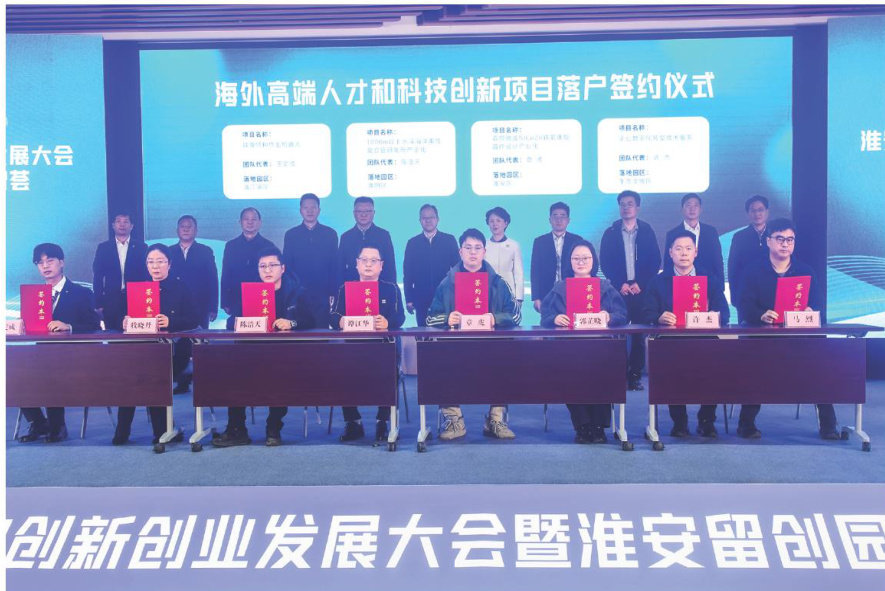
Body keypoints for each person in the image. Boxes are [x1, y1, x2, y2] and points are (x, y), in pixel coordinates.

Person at [737, 218, 838, 440]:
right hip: (763, 338)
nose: (785, 244)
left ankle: (829, 425)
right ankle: (746, 424)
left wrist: (810, 310)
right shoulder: (753, 271)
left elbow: (819, 306)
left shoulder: (805, 271)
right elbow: (743, 304)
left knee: (820, 364)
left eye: (790, 240)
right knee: (753, 367)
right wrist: (761, 315)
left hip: (799, 338)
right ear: (768, 241)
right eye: (780, 239)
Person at [213, 247, 315, 448]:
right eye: (262, 266)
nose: (267, 270)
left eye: (272, 265)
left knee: (279, 375)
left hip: (284, 354)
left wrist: (292, 323)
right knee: (234, 373)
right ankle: (236, 429)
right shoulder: (249, 292)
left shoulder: (297, 292)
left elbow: (311, 320)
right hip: (250, 352)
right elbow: (231, 321)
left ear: (282, 268)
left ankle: (273, 428)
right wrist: (245, 322)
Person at [426, 228, 522, 440]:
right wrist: (447, 319)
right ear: (460, 252)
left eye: (478, 248)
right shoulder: (446, 283)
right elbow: (430, 318)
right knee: (440, 362)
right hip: (455, 347)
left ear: (484, 252)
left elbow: (516, 316)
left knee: (506, 360)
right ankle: (454, 421)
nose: (473, 252)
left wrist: (495, 318)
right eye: (468, 248)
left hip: (492, 346)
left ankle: (495, 419)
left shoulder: (498, 282)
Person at [643, 230, 731, 438]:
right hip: (671, 341)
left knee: (713, 370)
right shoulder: (658, 281)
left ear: (696, 252)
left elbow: (724, 313)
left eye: (688, 249)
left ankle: (707, 420)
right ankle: (679, 422)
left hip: (704, 340)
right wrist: (659, 317)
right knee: (672, 372)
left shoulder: (709, 279)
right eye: (679, 249)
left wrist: (712, 316)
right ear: (670, 253)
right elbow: (646, 312)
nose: (684, 253)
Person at [540, 240, 627, 444]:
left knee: (603, 375)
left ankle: (598, 426)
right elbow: (545, 315)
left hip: (601, 347)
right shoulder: (560, 287)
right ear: (569, 262)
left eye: (585, 258)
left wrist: (609, 316)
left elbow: (622, 314)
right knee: (570, 376)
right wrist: (554, 318)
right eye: (576, 258)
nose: (581, 262)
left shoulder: (605, 287)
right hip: (570, 348)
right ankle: (582, 426)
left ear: (593, 260)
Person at [114, 244, 199, 447]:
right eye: (151, 262)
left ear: (169, 264)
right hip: (140, 349)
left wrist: (171, 322)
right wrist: (123, 321)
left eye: (160, 261)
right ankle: (124, 430)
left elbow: (194, 319)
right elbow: (115, 316)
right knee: (131, 373)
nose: (155, 266)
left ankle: (162, 430)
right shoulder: (137, 289)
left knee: (151, 372)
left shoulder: (181, 287)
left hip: (173, 350)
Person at [18, 243, 102, 443]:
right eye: (40, 263)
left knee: (50, 370)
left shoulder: (81, 292)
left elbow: (94, 325)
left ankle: (57, 426)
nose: (45, 266)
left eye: (50, 261)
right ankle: (39, 422)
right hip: (41, 355)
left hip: (73, 356)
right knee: (13, 372)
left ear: (61, 262)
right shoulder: (33, 296)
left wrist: (69, 326)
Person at [331, 244, 406, 442]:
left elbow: (400, 317)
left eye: (374, 261)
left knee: (389, 370)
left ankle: (383, 421)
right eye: (364, 260)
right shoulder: (345, 289)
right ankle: (353, 422)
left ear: (381, 265)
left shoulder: (391, 289)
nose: (368, 265)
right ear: (357, 264)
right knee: (341, 371)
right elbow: (333, 316)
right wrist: (340, 321)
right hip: (352, 350)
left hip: (383, 349)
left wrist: (388, 322)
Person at [599, 190, 661, 391]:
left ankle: (635, 375)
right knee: (617, 333)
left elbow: (655, 260)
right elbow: (605, 261)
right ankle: (617, 373)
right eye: (623, 204)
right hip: (619, 290)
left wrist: (641, 282)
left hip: (641, 290)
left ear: (638, 207)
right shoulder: (610, 232)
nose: (626, 207)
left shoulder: (647, 230)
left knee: (638, 334)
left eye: (630, 204)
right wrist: (620, 283)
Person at [282, 193, 339, 329]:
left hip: (322, 293)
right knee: (298, 330)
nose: (309, 211)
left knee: (321, 331)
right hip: (298, 294)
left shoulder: (330, 234)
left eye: (313, 207)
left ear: (319, 210)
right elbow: (287, 266)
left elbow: (335, 265)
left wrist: (333, 292)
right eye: (306, 208)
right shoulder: (291, 235)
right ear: (300, 210)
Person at [402, 204, 459, 326]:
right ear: (420, 220)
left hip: (444, 297)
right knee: (423, 332)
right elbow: (408, 274)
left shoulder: (449, 240)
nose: (428, 220)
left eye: (431, 217)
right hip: (421, 297)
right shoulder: (413, 243)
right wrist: (409, 299)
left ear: (437, 219)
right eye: (424, 218)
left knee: (444, 331)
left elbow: (457, 270)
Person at [220, 207, 276, 329]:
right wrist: (225, 301)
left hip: (261, 297)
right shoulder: (231, 246)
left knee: (262, 333)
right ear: (240, 222)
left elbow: (274, 275)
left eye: (253, 219)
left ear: (260, 222)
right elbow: (226, 274)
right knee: (235, 332)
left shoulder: (268, 246)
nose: (250, 222)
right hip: (236, 297)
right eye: (246, 219)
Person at [92, 212, 149, 331]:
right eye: (118, 221)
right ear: (113, 225)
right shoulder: (104, 247)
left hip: (136, 298)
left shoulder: (141, 247)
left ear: (131, 226)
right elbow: (98, 276)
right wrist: (99, 303)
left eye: (126, 221)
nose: (122, 225)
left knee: (136, 333)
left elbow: (146, 275)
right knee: (112, 333)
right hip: (111, 300)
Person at [531, 202, 586, 312]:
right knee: (548, 321)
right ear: (549, 220)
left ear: (568, 220)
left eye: (562, 216)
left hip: (572, 291)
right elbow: (535, 270)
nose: (559, 220)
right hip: (547, 292)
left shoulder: (577, 240)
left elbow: (583, 268)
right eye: (555, 216)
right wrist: (536, 297)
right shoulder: (540, 242)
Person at [664, 193, 724, 289]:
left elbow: (717, 260)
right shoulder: (673, 234)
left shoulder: (711, 232)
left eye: (696, 205)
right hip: (681, 283)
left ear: (701, 209)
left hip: (708, 282)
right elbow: (668, 262)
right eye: (688, 205)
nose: (692, 209)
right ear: (682, 209)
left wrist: (720, 286)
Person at [169, 214, 218, 329]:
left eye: (189, 227)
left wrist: (213, 307)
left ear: (196, 231)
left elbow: (212, 280)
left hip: (200, 304)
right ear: (177, 230)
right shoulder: (169, 251)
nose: (185, 229)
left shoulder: (205, 251)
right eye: (182, 226)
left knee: (199, 337)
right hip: (175, 305)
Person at [727, 195, 771, 323]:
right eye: (753, 210)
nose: (757, 214)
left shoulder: (775, 235)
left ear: (767, 211)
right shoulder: (739, 237)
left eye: (760, 210)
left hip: (771, 294)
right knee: (746, 332)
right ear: (748, 213)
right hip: (746, 295)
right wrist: (735, 298)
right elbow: (733, 269)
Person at [338, 196, 396, 285]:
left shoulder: (383, 235)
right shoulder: (346, 237)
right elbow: (340, 268)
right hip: (353, 287)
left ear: (374, 213)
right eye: (359, 211)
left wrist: (391, 289)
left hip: (379, 287)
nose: (363, 215)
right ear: (354, 213)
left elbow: (390, 266)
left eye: (368, 211)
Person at [484, 206, 524, 308]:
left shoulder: (514, 245)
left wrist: (519, 298)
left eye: (498, 220)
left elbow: (518, 273)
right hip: (487, 292)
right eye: (491, 221)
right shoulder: (483, 245)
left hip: (509, 292)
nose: (495, 224)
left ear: (506, 223)